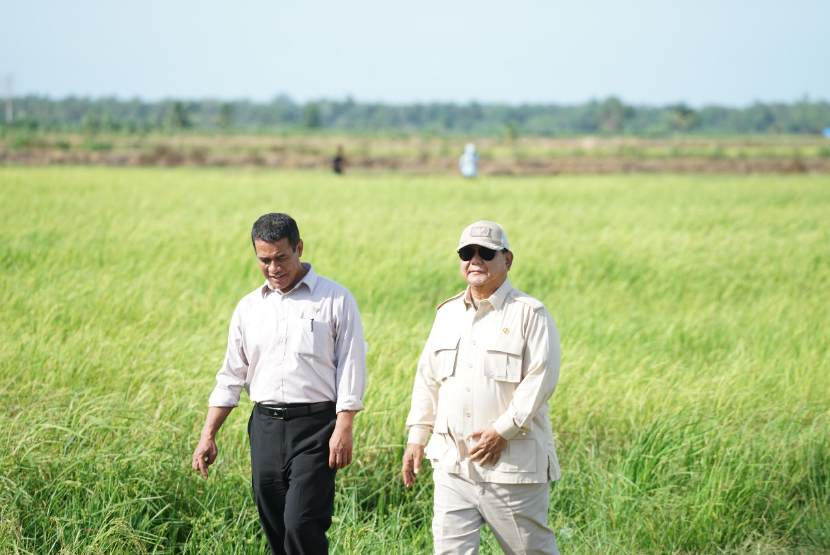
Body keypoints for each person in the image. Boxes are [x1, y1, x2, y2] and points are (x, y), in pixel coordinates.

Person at [191, 212, 367, 555]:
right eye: (264, 260)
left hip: (316, 428)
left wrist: (344, 426)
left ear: (299, 248)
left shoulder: (335, 299)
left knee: (302, 523)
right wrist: (208, 434)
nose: (274, 268)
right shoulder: (248, 308)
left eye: (281, 257)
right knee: (275, 526)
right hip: (265, 428)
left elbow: (351, 366)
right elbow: (231, 375)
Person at [402, 220, 562, 555]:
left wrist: (502, 430)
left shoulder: (530, 314)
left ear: (507, 259)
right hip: (452, 467)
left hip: (511, 469)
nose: (475, 259)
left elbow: (541, 379)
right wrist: (417, 437)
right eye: (467, 253)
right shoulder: (446, 314)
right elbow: (428, 379)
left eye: (486, 252)